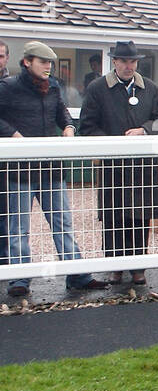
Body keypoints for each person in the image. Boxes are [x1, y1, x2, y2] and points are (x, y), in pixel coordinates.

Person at [0, 41, 109, 297]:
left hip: (51, 168)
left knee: (62, 222)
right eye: (43, 62)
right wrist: (14, 135)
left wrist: (70, 128)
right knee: (18, 226)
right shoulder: (8, 87)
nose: (48, 67)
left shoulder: (53, 87)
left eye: (50, 62)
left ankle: (78, 275)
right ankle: (19, 279)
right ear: (27, 62)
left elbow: (62, 114)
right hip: (20, 170)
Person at [78, 41, 158, 286]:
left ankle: (138, 267)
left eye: (133, 61)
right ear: (114, 62)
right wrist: (113, 143)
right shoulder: (97, 89)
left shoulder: (150, 89)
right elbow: (86, 127)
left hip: (142, 165)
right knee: (114, 215)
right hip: (113, 164)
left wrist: (143, 130)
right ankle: (115, 266)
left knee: (141, 215)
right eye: (124, 61)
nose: (129, 66)